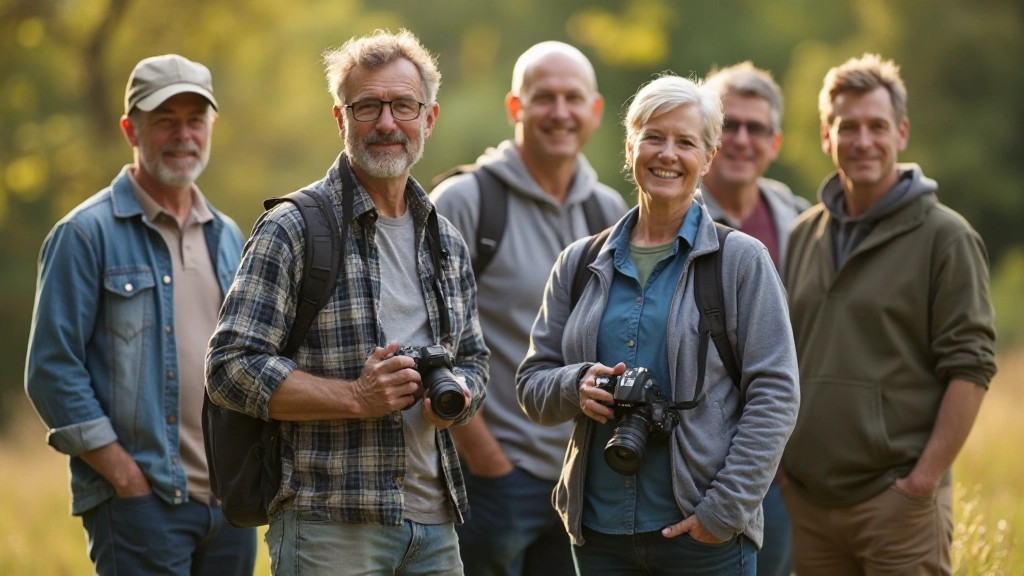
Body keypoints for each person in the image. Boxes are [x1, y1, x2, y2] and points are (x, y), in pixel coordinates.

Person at [206, 29, 488, 576]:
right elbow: (228, 367)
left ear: (428, 119)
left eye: (404, 105)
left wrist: (455, 395)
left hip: (437, 527)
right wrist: (358, 396)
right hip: (329, 526)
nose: (386, 123)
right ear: (341, 119)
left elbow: (475, 360)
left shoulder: (446, 239)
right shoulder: (291, 229)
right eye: (367, 107)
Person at [516, 74, 800, 576]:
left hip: (705, 539)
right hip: (599, 535)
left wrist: (724, 511)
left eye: (686, 142)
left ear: (708, 158)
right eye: (653, 137)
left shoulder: (740, 261)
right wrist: (574, 385)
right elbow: (532, 383)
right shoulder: (579, 263)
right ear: (630, 148)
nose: (667, 154)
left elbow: (776, 393)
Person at [24, 54, 254, 575]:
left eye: (195, 119)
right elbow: (51, 371)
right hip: (142, 505)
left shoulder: (229, 236)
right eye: (164, 120)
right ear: (131, 129)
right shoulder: (84, 235)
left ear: (211, 126)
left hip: (228, 505)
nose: (182, 135)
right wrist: (125, 478)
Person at [781, 54, 997, 576]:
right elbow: (777, 359)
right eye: (847, 127)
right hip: (808, 507)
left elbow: (971, 367)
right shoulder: (801, 236)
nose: (863, 141)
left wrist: (922, 482)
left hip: (896, 504)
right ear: (826, 137)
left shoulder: (946, 238)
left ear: (900, 132)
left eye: (877, 126)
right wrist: (784, 472)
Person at [430, 41, 628, 576]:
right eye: (544, 98)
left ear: (594, 111)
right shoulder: (464, 202)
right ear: (516, 107)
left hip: (583, 480)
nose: (560, 113)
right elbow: (426, 344)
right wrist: (487, 461)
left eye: (573, 98)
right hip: (492, 480)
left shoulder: (608, 210)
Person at [701, 61, 809, 576]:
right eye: (729, 126)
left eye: (756, 128)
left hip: (782, 476)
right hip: (693, 475)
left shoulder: (804, 226)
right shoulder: (663, 221)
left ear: (776, 142)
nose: (742, 140)